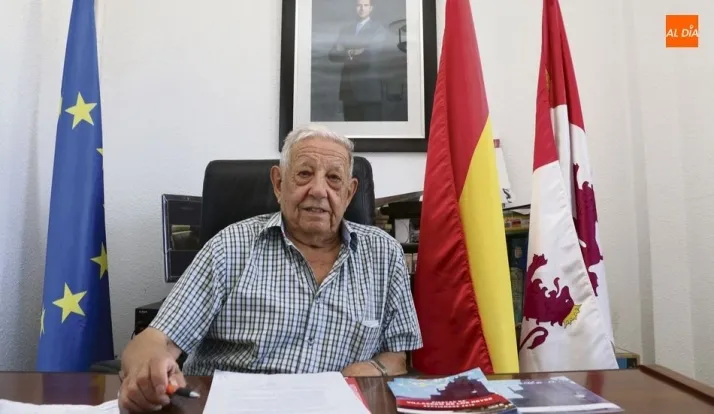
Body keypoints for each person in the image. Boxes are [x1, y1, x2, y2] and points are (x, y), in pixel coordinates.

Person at [118, 124, 422, 412]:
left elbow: (397, 356)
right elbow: (156, 340)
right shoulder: (230, 247)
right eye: (304, 174)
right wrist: (148, 370)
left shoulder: (384, 255)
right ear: (279, 184)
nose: (318, 190)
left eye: (333, 178)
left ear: (349, 193)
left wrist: (371, 369)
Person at [328, 0, 388, 121]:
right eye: (359, 5)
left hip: (369, 91)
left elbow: (369, 56)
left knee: (371, 129)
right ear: (355, 8)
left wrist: (345, 50)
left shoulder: (378, 29)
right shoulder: (346, 30)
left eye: (366, 5)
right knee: (350, 129)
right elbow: (332, 55)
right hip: (348, 91)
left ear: (371, 8)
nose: (362, 9)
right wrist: (355, 51)